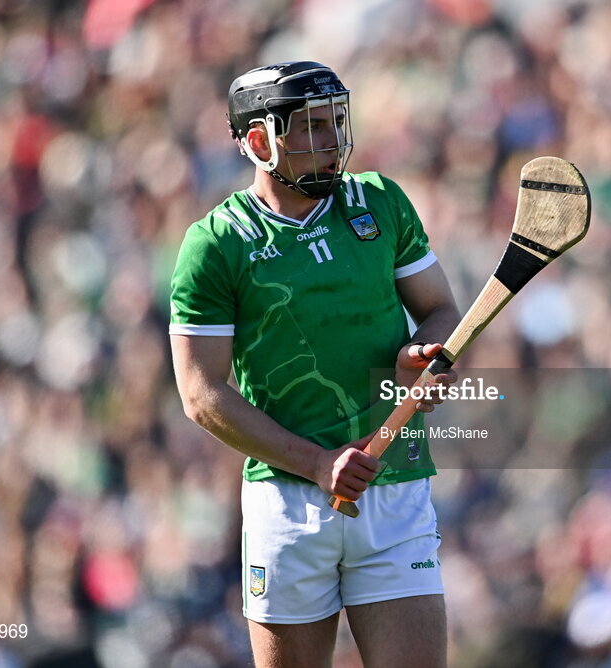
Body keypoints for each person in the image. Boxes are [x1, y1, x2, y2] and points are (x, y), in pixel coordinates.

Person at [169, 61, 460, 667]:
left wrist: (424, 355)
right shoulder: (216, 244)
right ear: (258, 142)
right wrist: (317, 463)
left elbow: (439, 310)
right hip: (287, 500)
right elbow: (199, 392)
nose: (332, 141)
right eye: (311, 127)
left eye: (335, 121)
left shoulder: (380, 202)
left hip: (395, 485)